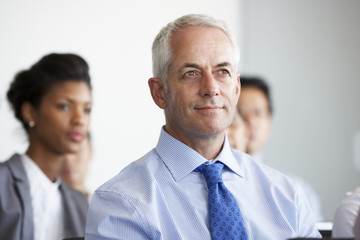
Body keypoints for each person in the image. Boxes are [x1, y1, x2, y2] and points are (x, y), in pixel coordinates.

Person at [85, 14, 321, 239]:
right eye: (191, 73)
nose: (211, 88)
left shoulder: (287, 195)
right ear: (159, 93)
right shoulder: (122, 202)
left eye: (222, 72)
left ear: (236, 88)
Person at [0, 53, 92, 240]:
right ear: (31, 112)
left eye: (87, 109)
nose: (79, 120)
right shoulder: (2, 183)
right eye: (65, 106)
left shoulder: (81, 203)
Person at [228, 75, 324, 222]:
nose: (250, 121)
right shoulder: (214, 186)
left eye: (258, 113)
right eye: (240, 113)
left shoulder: (294, 190)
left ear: (269, 122)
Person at [61, 132, 93, 200]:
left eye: (76, 150)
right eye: (61, 151)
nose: (68, 159)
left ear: (90, 152)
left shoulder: (104, 208)